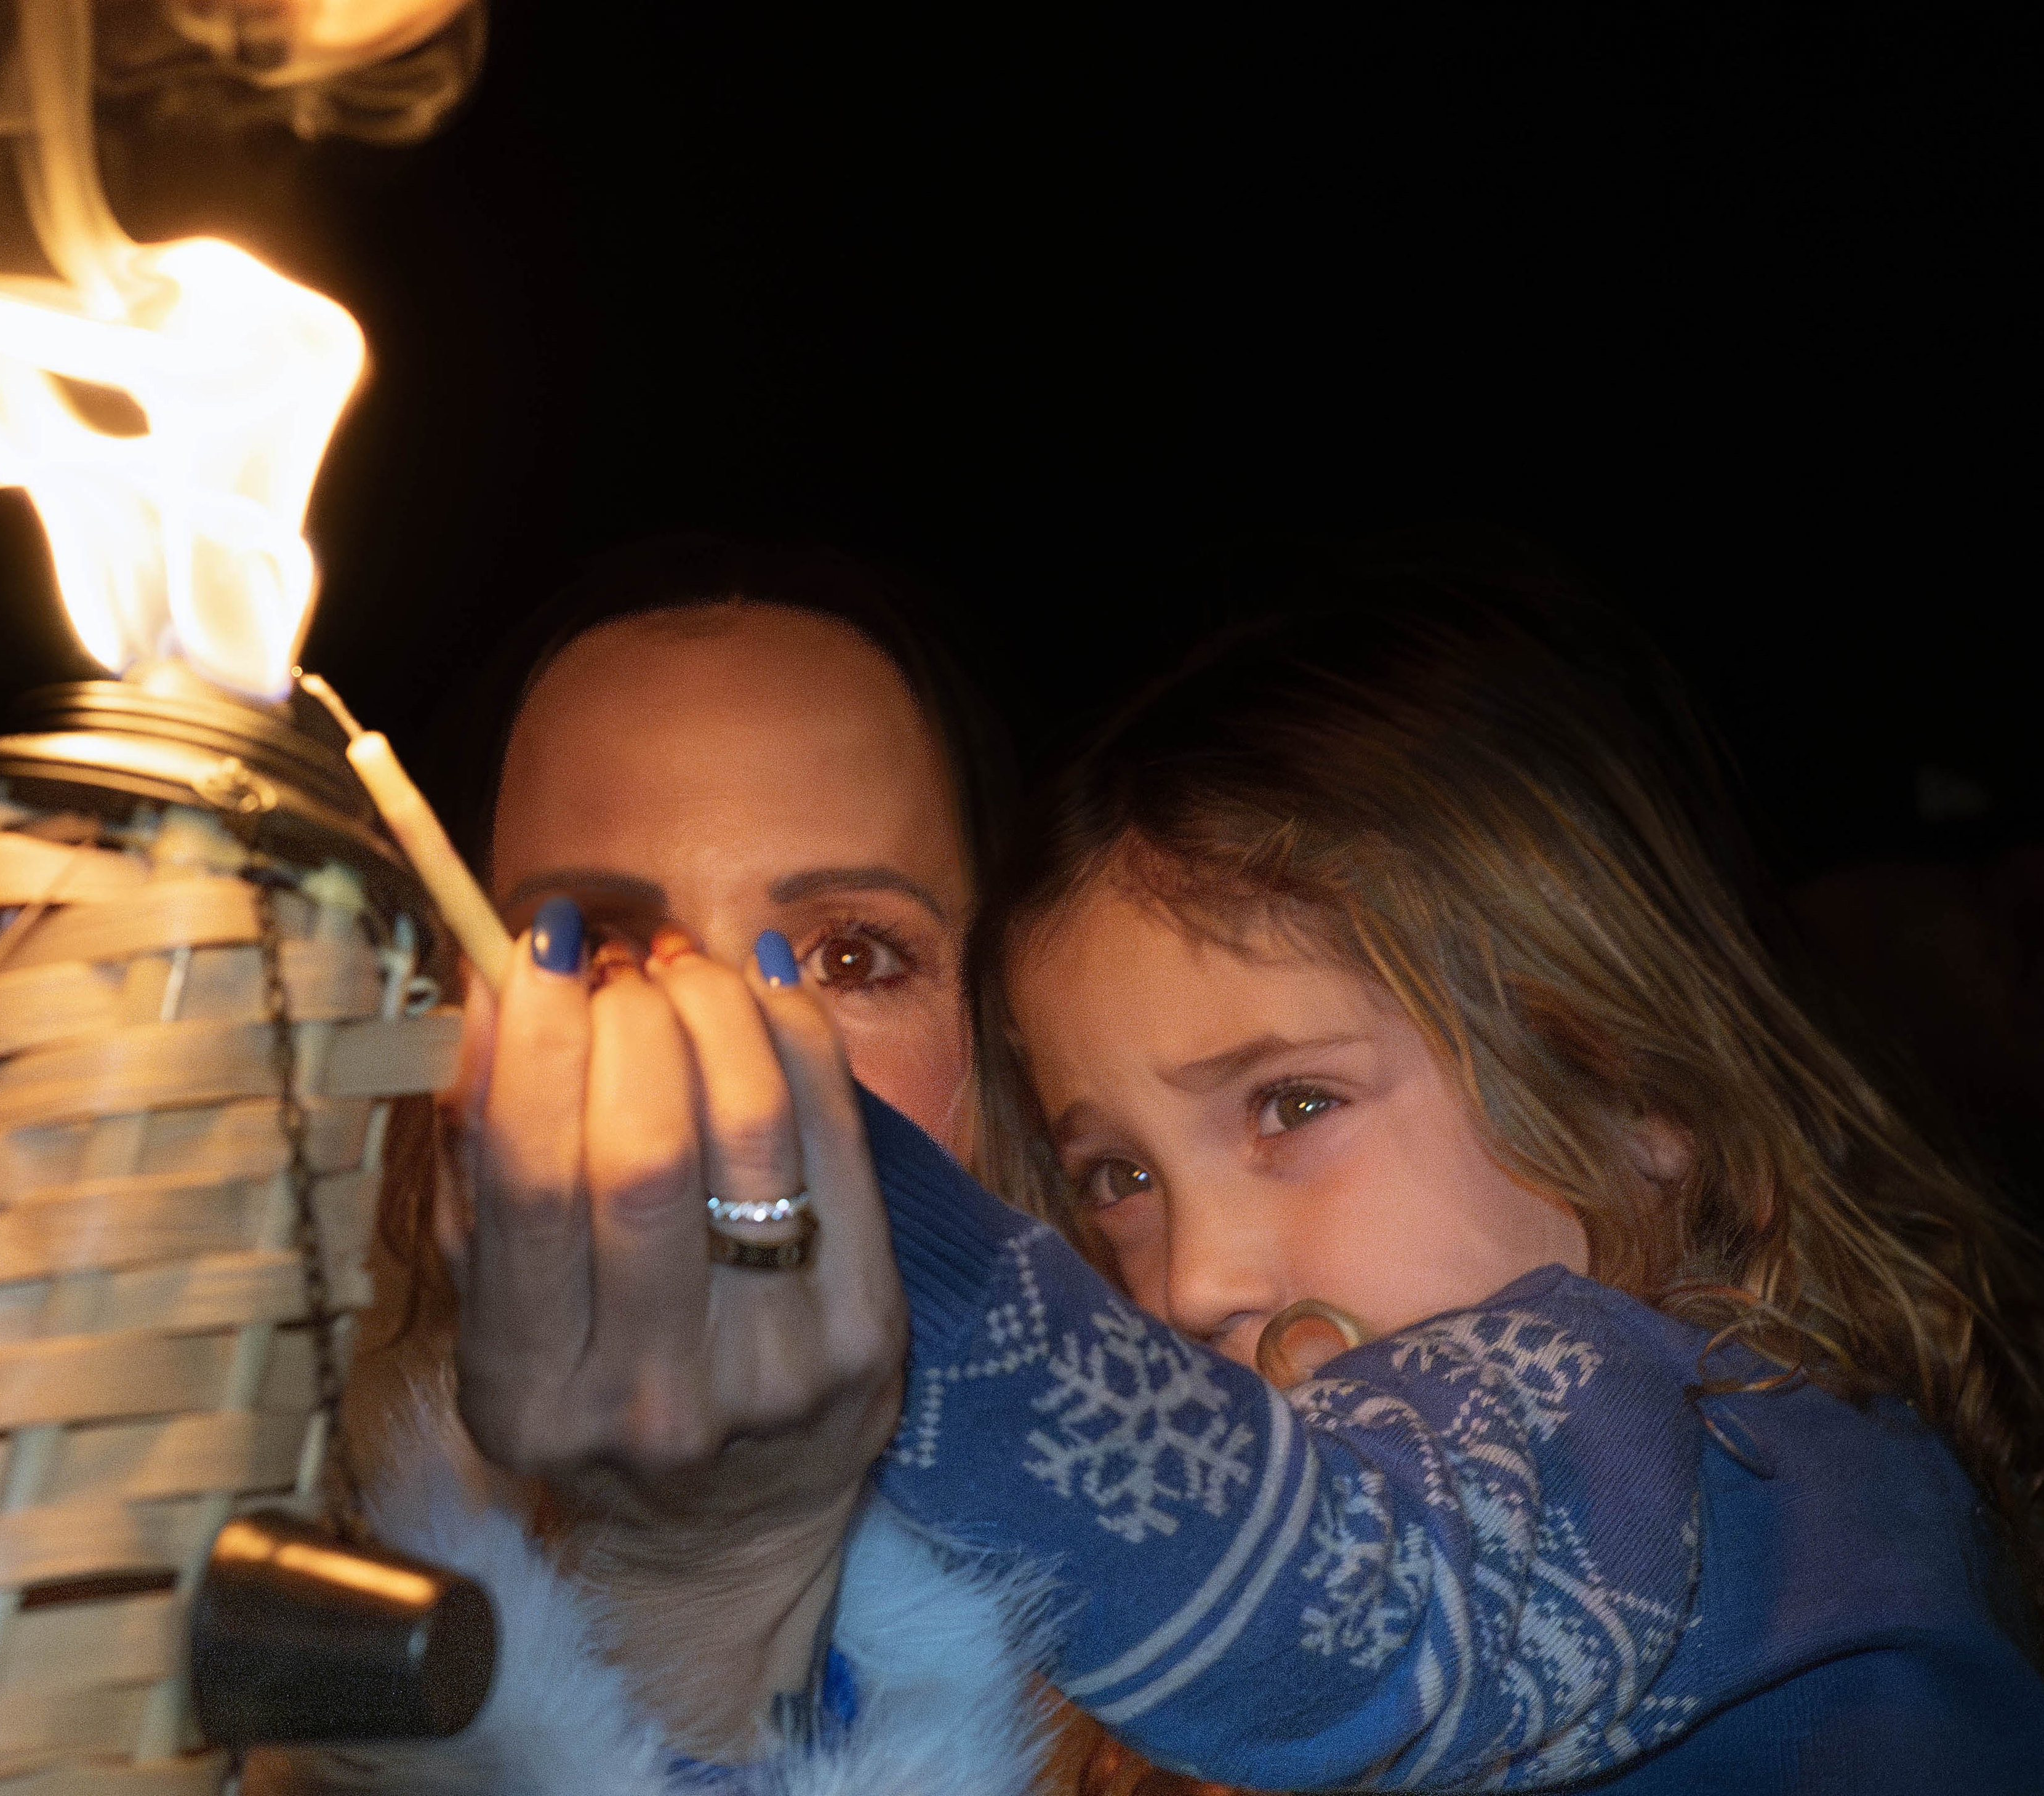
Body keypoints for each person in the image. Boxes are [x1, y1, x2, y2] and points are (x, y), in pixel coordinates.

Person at [414, 557, 2044, 1790]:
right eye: (1115, 1170)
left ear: (1640, 1088)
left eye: (1293, 1100)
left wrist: (833, 1200)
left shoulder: (1712, 1444)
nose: (1190, 1274)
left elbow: (1347, 1594)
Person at [324, 537, 1091, 1794]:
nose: (716, 1046)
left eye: (846, 956)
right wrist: (705, 1586)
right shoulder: (240, 1627)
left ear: (1009, 1039)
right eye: (604, 953)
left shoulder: (1274, 1579)